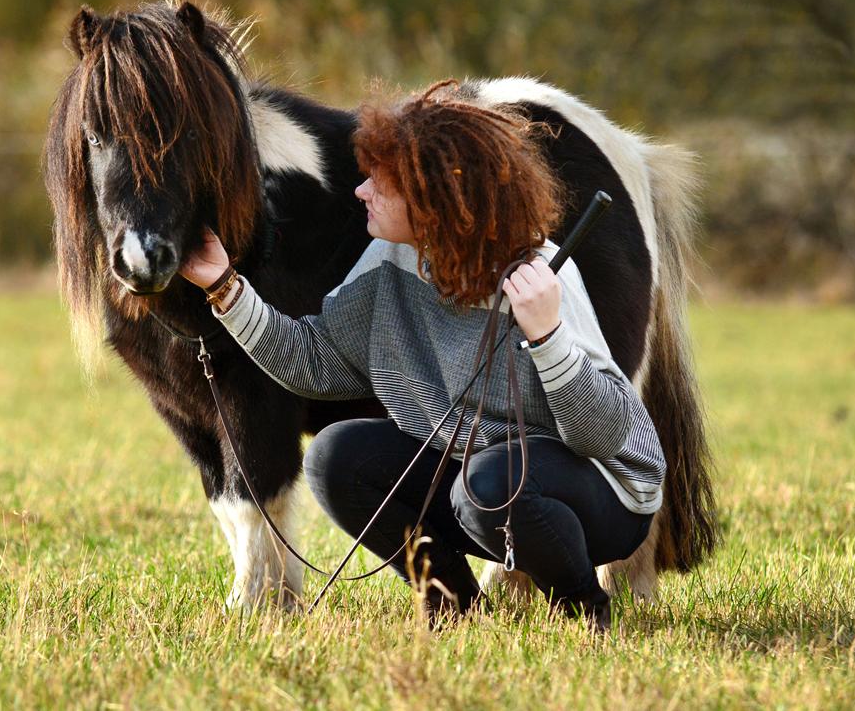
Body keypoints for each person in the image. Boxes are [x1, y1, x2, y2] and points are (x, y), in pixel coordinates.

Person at [180, 81, 665, 633]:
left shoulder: (540, 272)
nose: (360, 192)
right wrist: (223, 286)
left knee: (490, 483)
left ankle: (583, 607)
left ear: (434, 195)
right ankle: (451, 600)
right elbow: (313, 363)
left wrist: (548, 334)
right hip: (483, 483)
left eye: (379, 184)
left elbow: (604, 433)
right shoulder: (389, 262)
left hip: (603, 494)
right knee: (337, 456)